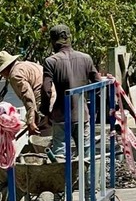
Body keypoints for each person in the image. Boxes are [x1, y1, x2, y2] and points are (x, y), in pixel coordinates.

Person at [40, 24, 101, 158]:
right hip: (81, 115)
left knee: (60, 155)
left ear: (53, 42)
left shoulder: (51, 61)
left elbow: (46, 90)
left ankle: (63, 178)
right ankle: (85, 178)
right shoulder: (86, 58)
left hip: (61, 115)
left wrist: (45, 111)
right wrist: (95, 109)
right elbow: (98, 84)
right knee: (85, 154)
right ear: (70, 38)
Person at [0, 51, 50, 135]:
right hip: (53, 98)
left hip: (43, 104)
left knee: (41, 138)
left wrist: (31, 120)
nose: (2, 75)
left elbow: (28, 98)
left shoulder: (15, 75)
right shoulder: (28, 65)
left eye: (1, 72)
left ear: (5, 68)